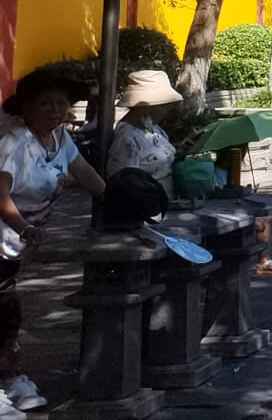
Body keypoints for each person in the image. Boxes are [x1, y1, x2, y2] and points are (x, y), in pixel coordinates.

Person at [0, 69, 106, 413]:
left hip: (11, 247)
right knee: (4, 310)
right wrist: (23, 226)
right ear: (26, 107)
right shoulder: (13, 142)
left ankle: (11, 379)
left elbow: (86, 175)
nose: (54, 110)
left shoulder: (61, 140)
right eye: (45, 103)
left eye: (60, 103)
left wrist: (118, 198)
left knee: (7, 311)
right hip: (8, 234)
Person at [107, 70, 181, 197]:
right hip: (143, 209)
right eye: (163, 106)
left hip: (164, 205)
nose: (166, 111)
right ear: (148, 107)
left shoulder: (156, 130)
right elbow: (123, 183)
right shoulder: (127, 138)